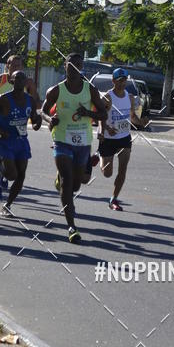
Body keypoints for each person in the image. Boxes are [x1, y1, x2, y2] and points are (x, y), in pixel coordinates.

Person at [41, 53, 108, 243]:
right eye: (71, 65)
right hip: (62, 139)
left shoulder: (91, 90)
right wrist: (49, 119)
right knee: (67, 182)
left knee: (77, 184)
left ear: (82, 67)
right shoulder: (56, 90)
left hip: (83, 142)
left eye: (79, 65)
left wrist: (87, 112)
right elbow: (43, 110)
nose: (75, 68)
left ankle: (63, 185)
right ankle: (71, 226)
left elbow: (103, 113)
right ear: (65, 66)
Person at [0, 54, 41, 198]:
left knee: (13, 163)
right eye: (13, 65)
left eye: (19, 65)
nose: (16, 67)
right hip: (0, 122)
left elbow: (36, 102)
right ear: (7, 66)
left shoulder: (27, 83)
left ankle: (0, 178)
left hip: (19, 126)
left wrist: (35, 114)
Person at [0, 70, 41, 216]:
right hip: (7, 140)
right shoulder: (4, 98)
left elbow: (35, 120)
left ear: (26, 82)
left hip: (22, 140)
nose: (19, 81)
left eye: (22, 79)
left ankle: (7, 205)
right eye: (16, 78)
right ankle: (0, 166)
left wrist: (39, 121)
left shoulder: (30, 100)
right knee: (11, 175)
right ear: (11, 81)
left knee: (21, 175)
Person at [99, 68, 140, 211]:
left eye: (125, 80)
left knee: (123, 170)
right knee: (107, 173)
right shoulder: (107, 97)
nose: (123, 83)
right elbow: (100, 117)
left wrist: (141, 122)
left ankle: (114, 199)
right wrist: (105, 129)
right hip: (109, 139)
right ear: (113, 81)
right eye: (120, 80)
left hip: (124, 137)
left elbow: (132, 116)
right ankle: (98, 157)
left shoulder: (129, 97)